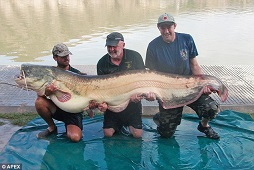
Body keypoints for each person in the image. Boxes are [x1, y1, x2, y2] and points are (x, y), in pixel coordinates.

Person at [145, 13, 221, 139]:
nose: (166, 31)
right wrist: (151, 92)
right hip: (168, 92)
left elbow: (194, 65)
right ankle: (161, 117)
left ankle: (204, 125)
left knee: (211, 108)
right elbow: (151, 75)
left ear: (174, 26)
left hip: (190, 87)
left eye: (169, 27)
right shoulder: (153, 46)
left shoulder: (187, 39)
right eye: (163, 28)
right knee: (166, 134)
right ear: (158, 28)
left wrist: (203, 84)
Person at [96, 32, 146, 138]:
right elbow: (102, 89)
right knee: (108, 134)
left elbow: (143, 81)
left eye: (115, 46)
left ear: (123, 45)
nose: (111, 49)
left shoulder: (135, 57)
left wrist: (139, 95)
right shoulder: (101, 63)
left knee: (137, 135)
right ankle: (117, 125)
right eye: (109, 46)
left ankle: (129, 124)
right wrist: (102, 103)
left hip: (133, 105)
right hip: (113, 105)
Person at [35, 43, 85, 142]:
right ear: (55, 58)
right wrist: (47, 92)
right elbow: (40, 94)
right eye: (63, 56)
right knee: (39, 102)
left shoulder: (78, 75)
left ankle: (73, 127)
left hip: (73, 112)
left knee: (75, 138)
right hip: (57, 108)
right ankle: (52, 128)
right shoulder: (49, 74)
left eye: (67, 55)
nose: (66, 58)